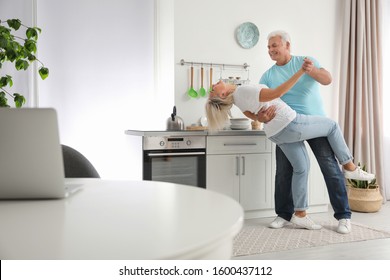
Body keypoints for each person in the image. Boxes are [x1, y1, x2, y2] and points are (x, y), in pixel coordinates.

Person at [206, 69, 375, 231]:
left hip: (276, 133)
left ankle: (300, 214)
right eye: (214, 89)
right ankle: (350, 167)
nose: (214, 84)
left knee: (301, 168)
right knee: (332, 125)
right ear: (222, 95)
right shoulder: (243, 90)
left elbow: (255, 116)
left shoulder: (238, 99)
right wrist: (301, 72)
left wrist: (261, 117)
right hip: (290, 124)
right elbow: (276, 93)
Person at [258, 30, 353, 234]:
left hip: (314, 123)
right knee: (284, 171)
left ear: (287, 45)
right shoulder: (267, 75)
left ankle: (344, 216)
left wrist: (311, 71)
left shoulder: (305, 62)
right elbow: (263, 102)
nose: (271, 50)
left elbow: (327, 79)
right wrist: (262, 116)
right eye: (268, 47)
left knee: (330, 168)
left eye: (274, 45)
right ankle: (284, 214)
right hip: (287, 126)